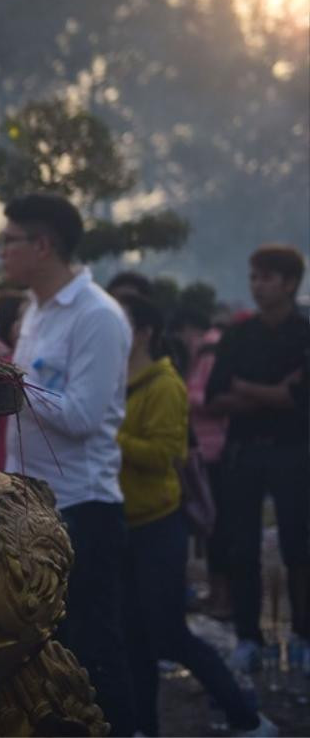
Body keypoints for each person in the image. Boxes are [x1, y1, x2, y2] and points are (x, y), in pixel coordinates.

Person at [0, 194, 135, 735]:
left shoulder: (97, 316)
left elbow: (82, 415)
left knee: (92, 650)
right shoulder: (34, 309)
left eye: (10, 241)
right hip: (31, 504)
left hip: (83, 507)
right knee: (45, 651)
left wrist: (12, 380)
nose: (0, 251)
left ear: (42, 245)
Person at [115, 294, 273, 737]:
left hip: (158, 526)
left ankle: (245, 716)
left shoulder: (165, 385)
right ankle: (144, 727)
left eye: (119, 321)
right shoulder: (109, 379)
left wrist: (109, 435)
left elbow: (166, 453)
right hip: (121, 522)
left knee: (168, 634)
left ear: (144, 331)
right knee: (134, 640)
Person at [206, 244, 310, 673]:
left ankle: (303, 636)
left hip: (296, 451)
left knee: (300, 546)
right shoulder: (237, 335)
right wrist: (276, 395)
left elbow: (303, 402)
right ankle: (249, 637)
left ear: (289, 283)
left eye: (266, 277)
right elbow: (215, 398)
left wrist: (247, 389)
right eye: (253, 277)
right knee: (241, 546)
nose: (257, 286)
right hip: (244, 453)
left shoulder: (305, 335)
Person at [173, 307, 232, 617]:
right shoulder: (205, 348)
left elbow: (207, 395)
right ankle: (216, 592)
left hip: (212, 448)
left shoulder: (209, 349)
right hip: (204, 448)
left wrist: (177, 393)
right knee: (212, 526)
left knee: (215, 525)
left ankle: (223, 596)